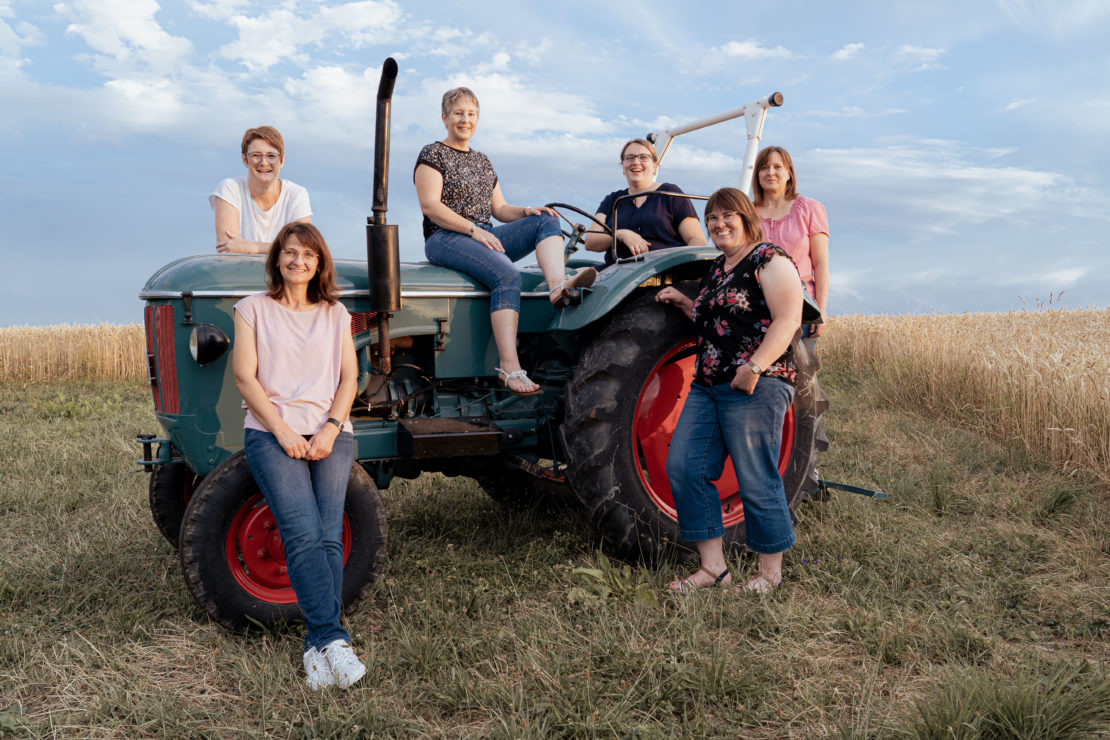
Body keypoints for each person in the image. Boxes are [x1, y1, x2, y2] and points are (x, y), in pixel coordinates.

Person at [232, 222, 365, 690]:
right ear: (277, 259)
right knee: (304, 532)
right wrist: (284, 431)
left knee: (329, 537)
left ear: (319, 263)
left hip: (331, 433)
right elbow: (245, 377)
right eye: (290, 253)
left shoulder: (335, 314)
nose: (298, 261)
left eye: (308, 255)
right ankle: (333, 639)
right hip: (271, 433)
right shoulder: (252, 309)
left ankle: (316, 648)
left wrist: (330, 428)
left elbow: (350, 379)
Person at [655, 187, 802, 594]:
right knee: (685, 466)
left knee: (756, 475)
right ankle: (713, 569)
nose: (719, 225)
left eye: (727, 216)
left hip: (757, 383)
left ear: (745, 217)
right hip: (708, 384)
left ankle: (770, 573)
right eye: (712, 219)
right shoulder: (719, 267)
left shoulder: (768, 258)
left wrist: (754, 367)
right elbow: (717, 322)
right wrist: (687, 304)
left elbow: (789, 318)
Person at [414, 87, 596, 396]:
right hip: (446, 237)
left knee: (546, 218)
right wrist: (473, 231)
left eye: (471, 114)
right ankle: (510, 368)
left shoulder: (483, 162)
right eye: (458, 113)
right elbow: (430, 206)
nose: (465, 120)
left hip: (485, 234)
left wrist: (526, 210)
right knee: (507, 275)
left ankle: (557, 285)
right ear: (444, 118)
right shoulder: (432, 154)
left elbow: (499, 209)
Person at [583, 139, 705, 267]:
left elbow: (696, 240)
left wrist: (683, 270)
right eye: (629, 158)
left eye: (643, 157)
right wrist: (620, 234)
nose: (636, 162)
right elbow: (591, 242)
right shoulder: (612, 200)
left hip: (660, 271)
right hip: (616, 274)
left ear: (654, 165)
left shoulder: (670, 194)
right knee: (574, 277)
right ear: (623, 166)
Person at [752, 146, 828, 339]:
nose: (770, 172)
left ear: (789, 174)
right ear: (757, 174)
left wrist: (821, 311)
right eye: (764, 167)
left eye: (777, 166)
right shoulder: (747, 214)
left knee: (798, 368)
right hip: (755, 307)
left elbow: (820, 265)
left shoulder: (810, 209)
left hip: (800, 306)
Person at [211, 126, 312, 254]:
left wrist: (251, 248)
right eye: (256, 155)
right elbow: (228, 249)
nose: (264, 162)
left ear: (281, 160)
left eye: (271, 155)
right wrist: (284, 248)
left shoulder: (296, 194)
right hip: (239, 273)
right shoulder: (230, 188)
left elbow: (303, 247)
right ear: (245, 160)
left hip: (283, 274)